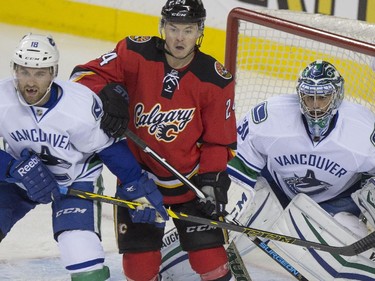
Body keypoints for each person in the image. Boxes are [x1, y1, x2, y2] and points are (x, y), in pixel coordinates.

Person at [70, 0, 237, 280]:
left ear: (200, 32)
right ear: (162, 27)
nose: (179, 37)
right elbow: (82, 76)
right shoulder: (134, 52)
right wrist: (108, 93)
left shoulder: (215, 79)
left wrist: (210, 184)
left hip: (189, 183)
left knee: (213, 265)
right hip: (139, 182)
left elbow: (219, 142)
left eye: (188, 29)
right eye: (173, 28)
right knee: (139, 271)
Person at [0, 33, 168, 281]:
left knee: (84, 266)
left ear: (54, 72)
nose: (31, 82)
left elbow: (108, 149)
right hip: (18, 178)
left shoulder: (78, 106)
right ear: (14, 69)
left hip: (74, 182)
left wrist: (136, 185)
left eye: (40, 73)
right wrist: (11, 168)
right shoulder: (2, 99)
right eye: (24, 72)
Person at [227, 60, 375, 277]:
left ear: (336, 97)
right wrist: (228, 203)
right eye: (309, 97)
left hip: (337, 202)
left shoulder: (363, 129)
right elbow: (239, 166)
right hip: (278, 192)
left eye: (322, 97)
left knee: (358, 257)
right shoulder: (269, 117)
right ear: (299, 95)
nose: (315, 105)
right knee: (241, 220)